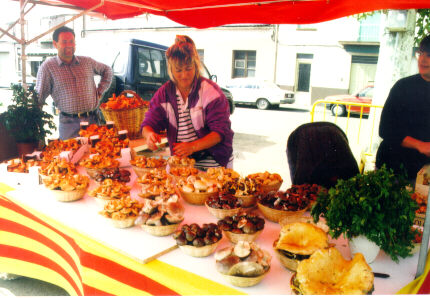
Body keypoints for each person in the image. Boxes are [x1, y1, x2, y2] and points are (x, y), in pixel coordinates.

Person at [141, 35, 234, 170]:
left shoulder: (211, 92)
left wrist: (193, 146)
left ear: (196, 66)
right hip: (182, 161)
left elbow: (220, 132)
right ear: (171, 70)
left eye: (188, 68)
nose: (184, 75)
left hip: (214, 160)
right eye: (178, 70)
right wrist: (149, 134)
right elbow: (149, 122)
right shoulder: (165, 93)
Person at [36, 26, 112, 140]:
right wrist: (36, 128)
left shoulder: (87, 62)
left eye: (71, 41)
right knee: (70, 156)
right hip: (69, 125)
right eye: (64, 42)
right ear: (55, 44)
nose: (69, 45)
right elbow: (39, 97)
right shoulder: (48, 67)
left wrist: (100, 92)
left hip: (93, 121)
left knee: (97, 155)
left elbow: (108, 70)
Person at [376, 34, 430, 180]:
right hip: (394, 166)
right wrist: (420, 145)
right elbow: (385, 130)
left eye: (429, 55)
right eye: (420, 53)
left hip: (425, 171)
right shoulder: (403, 87)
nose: (423, 59)